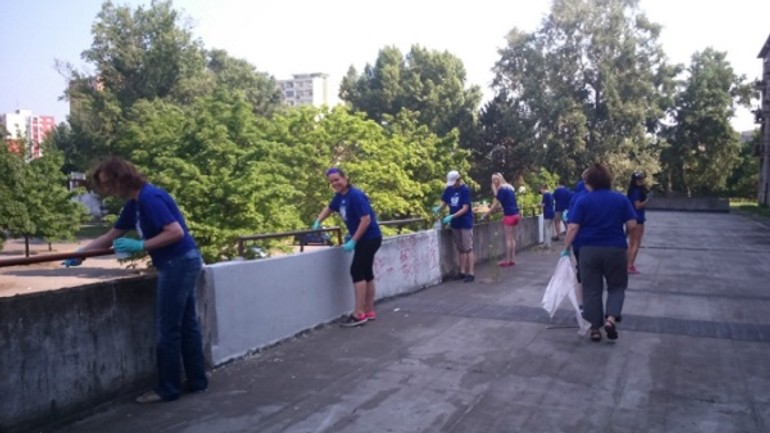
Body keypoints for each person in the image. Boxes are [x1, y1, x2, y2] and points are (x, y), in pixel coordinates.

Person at [62, 157, 208, 403]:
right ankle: (197, 381)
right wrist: (80, 255)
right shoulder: (134, 204)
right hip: (181, 262)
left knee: (168, 329)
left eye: (109, 183)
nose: (108, 190)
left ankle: (168, 389)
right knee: (186, 324)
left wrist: (141, 244)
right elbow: (111, 235)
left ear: (123, 177)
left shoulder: (149, 198)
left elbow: (175, 232)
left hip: (178, 262)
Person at [562, 164, 637, 342]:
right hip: (616, 248)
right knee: (617, 286)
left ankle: (595, 329)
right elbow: (633, 225)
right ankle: (610, 319)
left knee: (591, 289)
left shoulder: (583, 200)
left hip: (589, 250)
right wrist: (622, 236)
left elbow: (572, 227)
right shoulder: (620, 199)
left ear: (589, 183)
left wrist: (565, 249)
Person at [312, 168, 382, 327]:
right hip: (365, 238)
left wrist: (353, 241)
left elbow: (366, 220)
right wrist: (318, 221)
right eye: (331, 181)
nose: (335, 183)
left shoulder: (355, 195)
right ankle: (369, 310)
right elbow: (329, 208)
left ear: (345, 178)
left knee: (356, 271)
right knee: (366, 272)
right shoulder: (340, 197)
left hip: (369, 238)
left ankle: (358, 314)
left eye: (337, 179)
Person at [435, 170, 475, 282]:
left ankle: (471, 273)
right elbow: (444, 202)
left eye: (454, 182)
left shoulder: (465, 190)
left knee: (468, 248)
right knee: (460, 248)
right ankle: (461, 271)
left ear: (458, 180)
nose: (453, 185)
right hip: (455, 223)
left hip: (465, 222)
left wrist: (452, 216)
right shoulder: (449, 189)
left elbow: (465, 208)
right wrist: (439, 208)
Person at [482, 173, 520, 267]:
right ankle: (513, 259)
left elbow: (496, 204)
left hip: (509, 215)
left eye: (495, 179)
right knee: (512, 239)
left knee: (508, 239)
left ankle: (507, 260)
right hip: (516, 214)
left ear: (498, 180)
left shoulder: (501, 189)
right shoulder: (509, 188)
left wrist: (486, 214)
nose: (494, 182)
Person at [626, 172, 650, 274]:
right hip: (638, 219)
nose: (641, 181)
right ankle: (630, 265)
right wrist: (647, 200)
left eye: (642, 179)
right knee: (636, 242)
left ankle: (627, 264)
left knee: (631, 243)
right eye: (639, 179)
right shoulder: (636, 191)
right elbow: (638, 205)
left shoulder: (631, 191)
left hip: (631, 218)